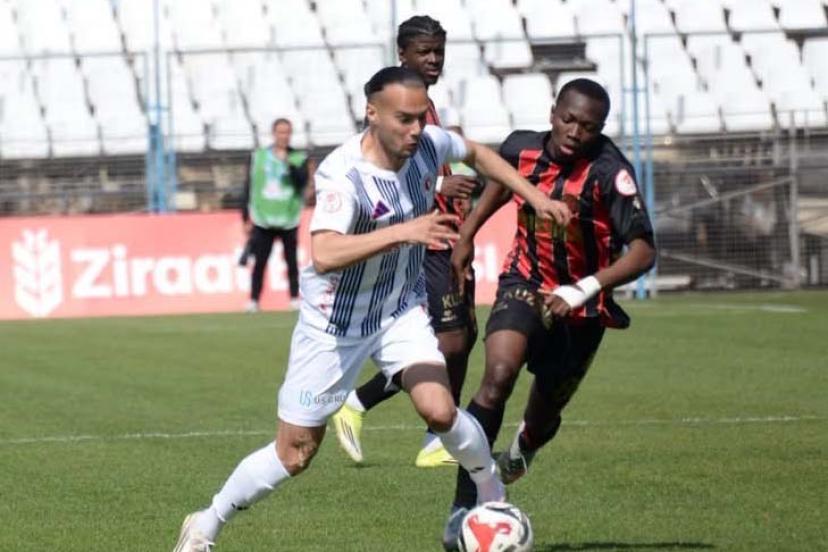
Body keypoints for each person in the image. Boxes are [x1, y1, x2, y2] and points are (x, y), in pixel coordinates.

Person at [173, 66, 572, 552]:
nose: (416, 129)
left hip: (399, 308)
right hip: (334, 325)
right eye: (404, 119)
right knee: (295, 454)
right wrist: (406, 231)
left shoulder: (428, 145)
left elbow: (479, 153)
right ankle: (206, 523)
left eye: (421, 117)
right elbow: (324, 252)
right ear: (372, 113)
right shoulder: (344, 176)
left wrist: (534, 196)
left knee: (439, 409)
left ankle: (492, 496)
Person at [441, 78, 657, 550]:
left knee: (542, 418)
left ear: (601, 129)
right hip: (525, 281)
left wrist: (584, 288)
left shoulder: (610, 173)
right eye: (569, 119)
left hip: (584, 306)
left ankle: (525, 446)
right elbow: (500, 185)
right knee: (497, 377)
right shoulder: (520, 148)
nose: (575, 131)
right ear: (553, 113)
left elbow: (644, 251)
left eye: (588, 126)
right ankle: (463, 507)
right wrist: (467, 235)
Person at [332, 15, 482, 469]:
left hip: (447, 233)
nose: (433, 59)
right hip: (421, 241)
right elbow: (377, 170)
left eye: (439, 51)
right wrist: (439, 186)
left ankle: (362, 404)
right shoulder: (394, 104)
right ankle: (435, 438)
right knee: (447, 342)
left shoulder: (426, 104)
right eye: (424, 52)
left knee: (463, 336)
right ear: (403, 53)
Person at [240, 117, 313, 313]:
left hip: (288, 217)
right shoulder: (259, 156)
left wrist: (289, 164)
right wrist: (245, 216)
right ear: (274, 133)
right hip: (263, 218)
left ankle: (294, 298)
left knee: (291, 261)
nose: (284, 136)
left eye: (287, 132)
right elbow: (249, 186)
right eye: (280, 132)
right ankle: (254, 300)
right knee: (260, 261)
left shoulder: (298, 158)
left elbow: (301, 182)